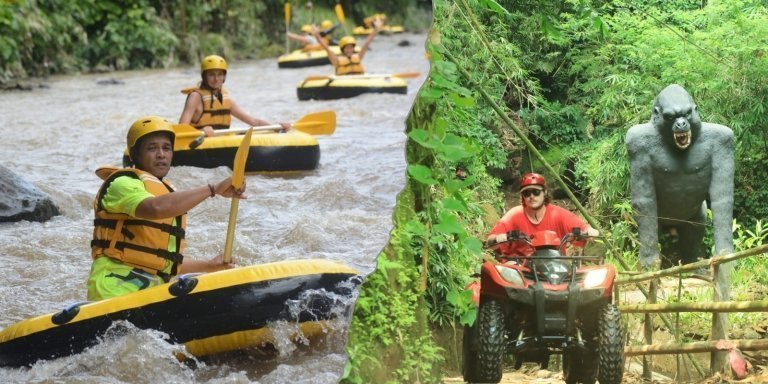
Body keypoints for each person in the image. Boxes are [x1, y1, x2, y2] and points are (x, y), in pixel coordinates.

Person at [87, 116, 245, 301]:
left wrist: (210, 266)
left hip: (150, 291)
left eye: (166, 148)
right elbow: (155, 208)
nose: (161, 154)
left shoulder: (169, 193)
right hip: (113, 289)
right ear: (134, 155)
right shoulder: (121, 183)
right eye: (152, 148)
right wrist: (213, 189)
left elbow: (164, 261)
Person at [485, 172, 598, 255]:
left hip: (554, 265)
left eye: (536, 192)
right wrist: (503, 237)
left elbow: (583, 229)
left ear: (545, 192)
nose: (531, 196)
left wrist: (589, 232)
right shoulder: (514, 215)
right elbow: (490, 240)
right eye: (526, 193)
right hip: (520, 266)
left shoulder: (558, 214)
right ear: (522, 196)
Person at [179, 55, 286, 138]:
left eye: (220, 74)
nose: (216, 79)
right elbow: (182, 128)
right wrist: (201, 130)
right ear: (204, 76)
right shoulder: (195, 96)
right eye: (211, 74)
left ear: (224, 76)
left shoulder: (225, 98)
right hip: (201, 142)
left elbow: (254, 122)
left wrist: (277, 127)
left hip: (223, 141)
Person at [312, 18, 382, 76]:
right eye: (347, 48)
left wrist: (375, 30)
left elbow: (366, 44)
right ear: (343, 49)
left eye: (351, 48)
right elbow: (326, 48)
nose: (349, 50)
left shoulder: (358, 57)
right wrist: (316, 35)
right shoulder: (336, 61)